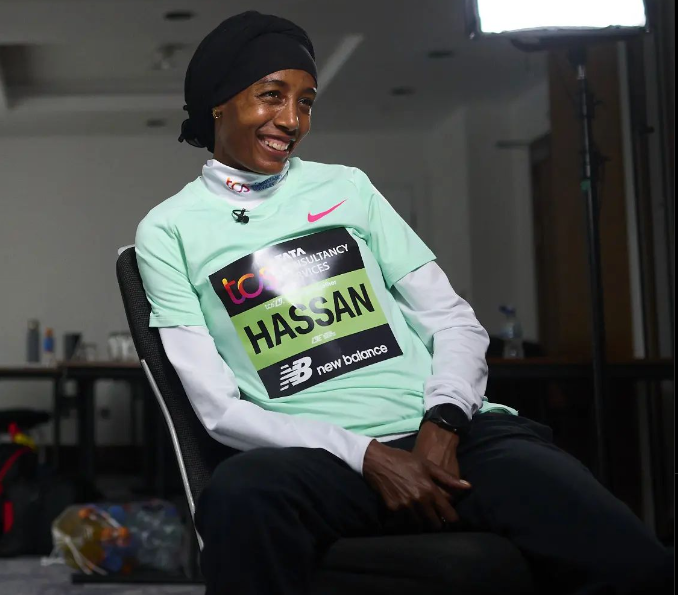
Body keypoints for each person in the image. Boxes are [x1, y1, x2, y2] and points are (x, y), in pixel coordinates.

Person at [135, 11, 672, 595]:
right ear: (218, 103)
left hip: (449, 435)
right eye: (272, 96)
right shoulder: (169, 229)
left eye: (306, 103)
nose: (291, 120)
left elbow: (453, 321)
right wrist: (366, 454)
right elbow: (217, 408)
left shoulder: (347, 187)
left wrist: (443, 423)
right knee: (239, 496)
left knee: (633, 561)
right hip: (320, 459)